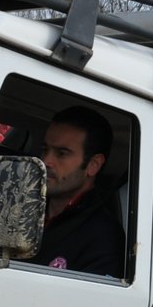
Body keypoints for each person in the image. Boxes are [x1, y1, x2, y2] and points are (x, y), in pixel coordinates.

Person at [35, 105, 126, 277]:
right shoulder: (19, 208)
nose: (46, 161)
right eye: (45, 150)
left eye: (62, 153)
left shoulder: (103, 236)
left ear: (93, 165)